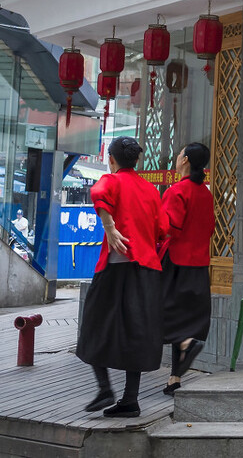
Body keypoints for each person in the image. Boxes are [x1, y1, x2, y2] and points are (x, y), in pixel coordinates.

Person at [75, 137, 168, 418]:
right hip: (147, 271)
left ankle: (105, 388)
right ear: (136, 160)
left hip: (116, 268)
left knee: (93, 324)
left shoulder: (111, 180)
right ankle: (130, 399)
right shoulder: (151, 190)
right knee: (137, 332)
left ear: (111, 159)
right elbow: (163, 230)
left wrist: (110, 226)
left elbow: (99, 193)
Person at [160, 142, 215, 395]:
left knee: (167, 314)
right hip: (199, 263)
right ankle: (175, 378)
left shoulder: (176, 191)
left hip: (176, 260)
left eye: (180, 153)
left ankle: (185, 344)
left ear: (186, 161)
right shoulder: (206, 193)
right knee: (189, 318)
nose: (177, 156)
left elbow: (169, 227)